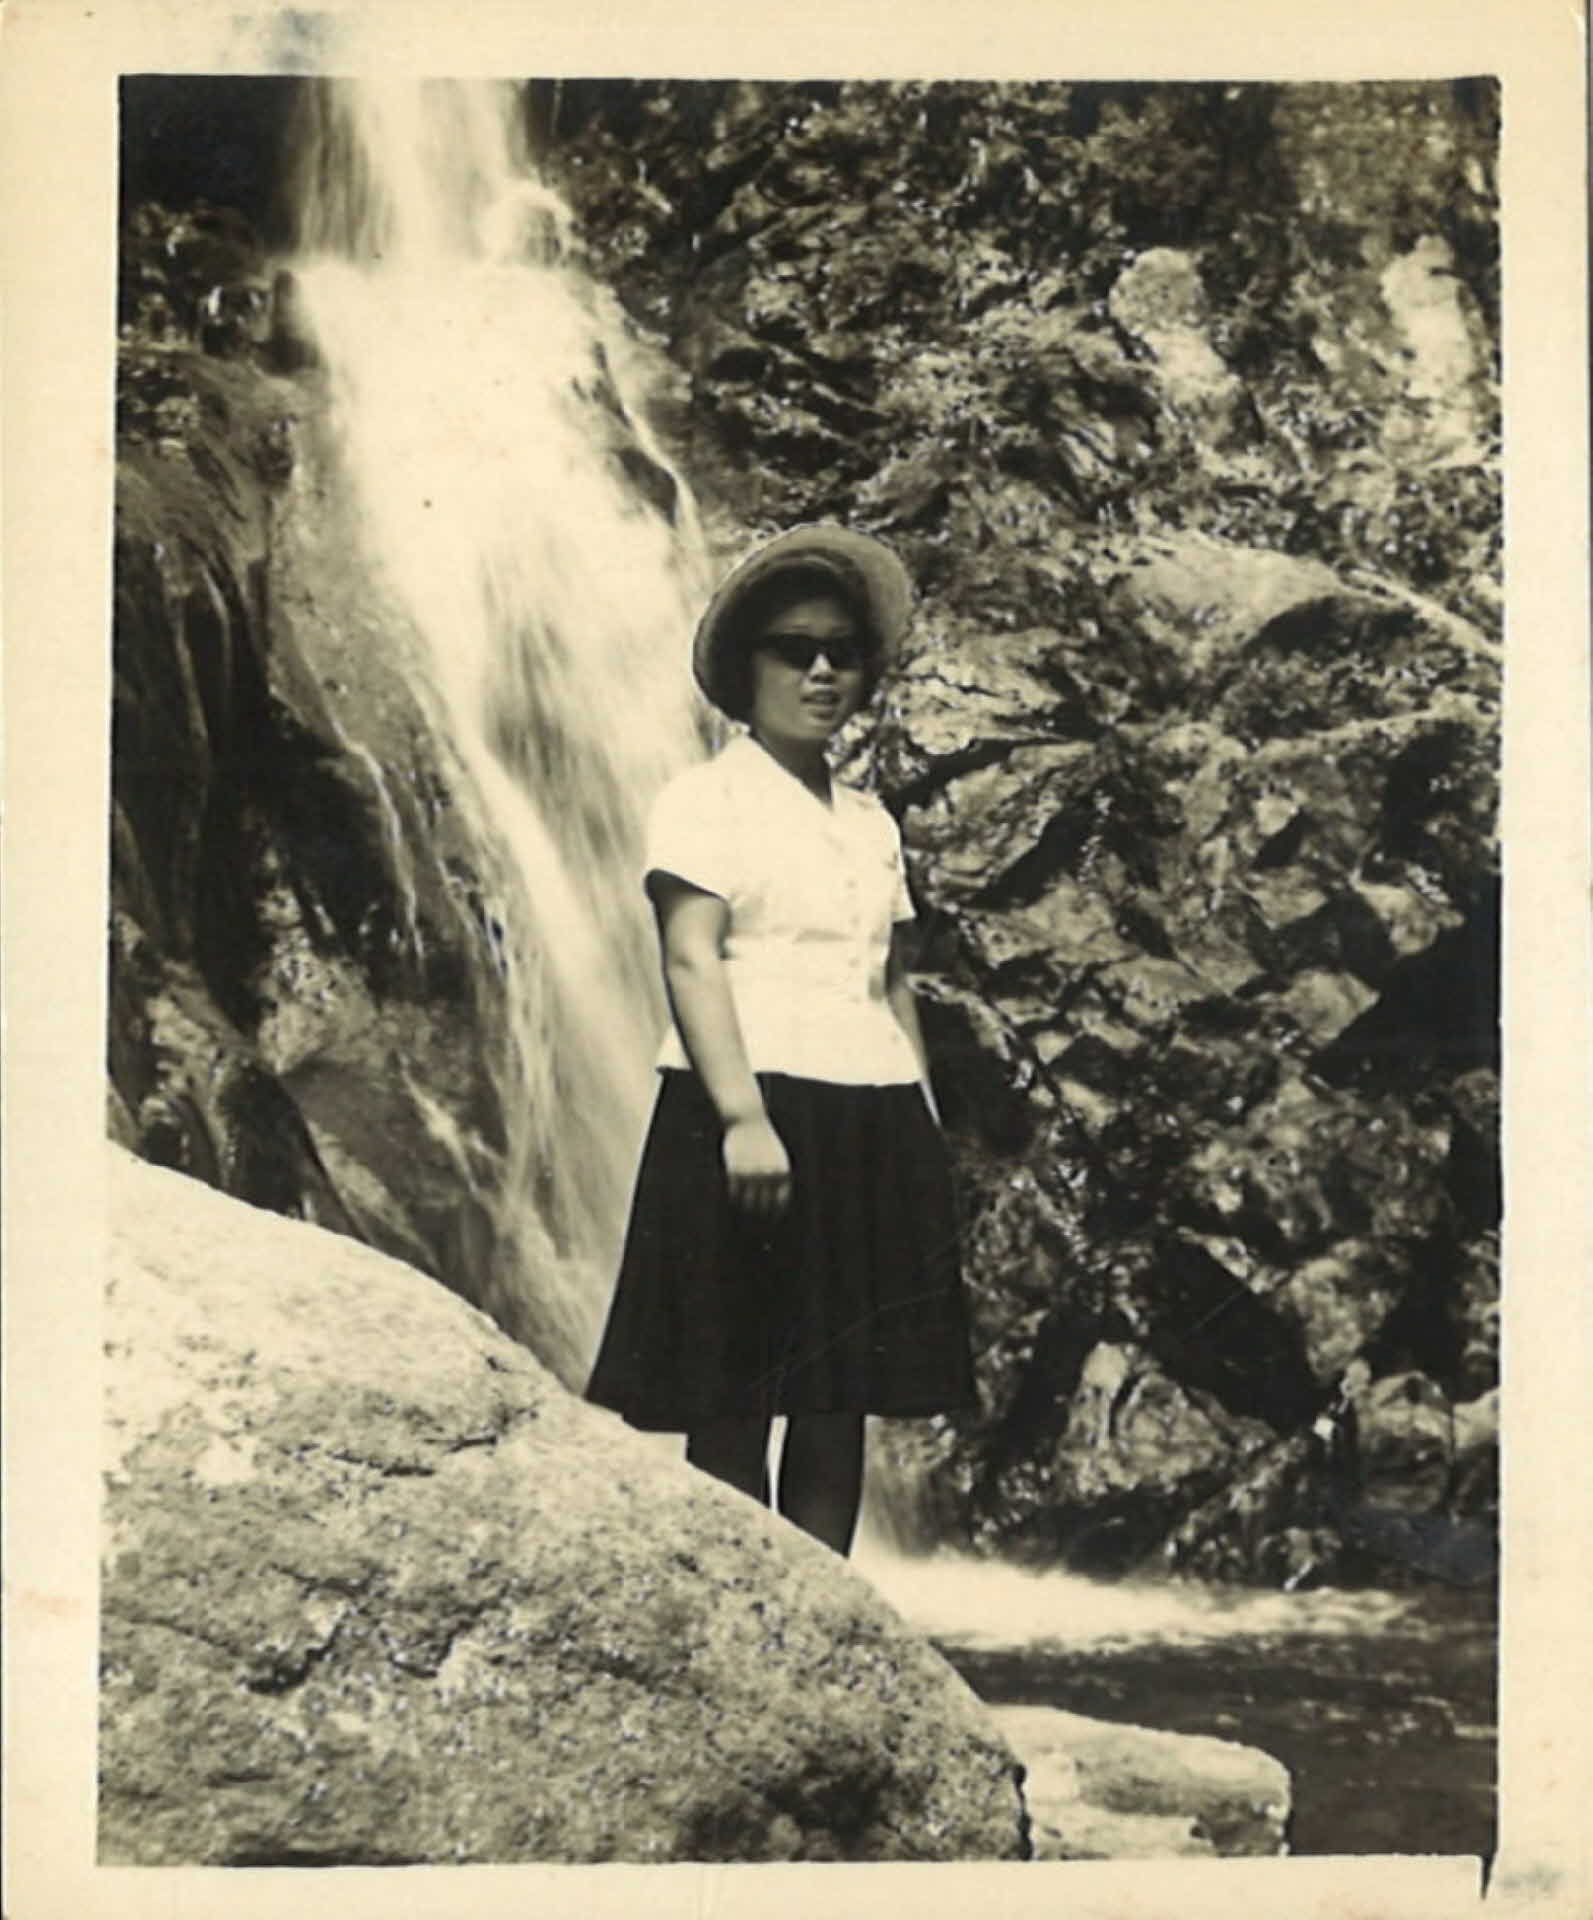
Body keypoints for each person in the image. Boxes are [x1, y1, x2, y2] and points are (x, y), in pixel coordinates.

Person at [585, 524, 975, 1555]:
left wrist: (920, 1118)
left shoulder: (870, 821)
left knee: (836, 1395)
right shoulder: (703, 800)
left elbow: (889, 978)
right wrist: (742, 1119)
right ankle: (739, 1613)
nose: (820, 672)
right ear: (745, 668)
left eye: (841, 652)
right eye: (794, 649)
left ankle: (826, 1615)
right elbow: (691, 958)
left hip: (866, 1112)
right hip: (746, 1106)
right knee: (734, 1386)